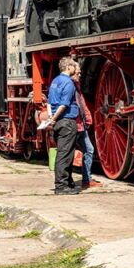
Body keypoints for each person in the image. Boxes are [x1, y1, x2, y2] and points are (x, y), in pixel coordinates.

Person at [47, 57, 82, 195]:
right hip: (66, 121)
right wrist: (54, 119)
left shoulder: (55, 81)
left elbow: (49, 102)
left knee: (65, 153)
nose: (75, 68)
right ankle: (61, 186)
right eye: (73, 65)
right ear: (68, 67)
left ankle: (68, 183)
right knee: (65, 155)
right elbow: (64, 104)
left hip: (58, 122)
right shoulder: (68, 83)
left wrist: (51, 117)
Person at [72, 65, 102, 189]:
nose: (80, 75)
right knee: (68, 152)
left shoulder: (76, 86)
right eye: (78, 73)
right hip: (73, 123)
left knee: (89, 149)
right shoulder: (68, 86)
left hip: (80, 124)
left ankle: (86, 179)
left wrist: (87, 117)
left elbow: (82, 103)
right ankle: (66, 181)